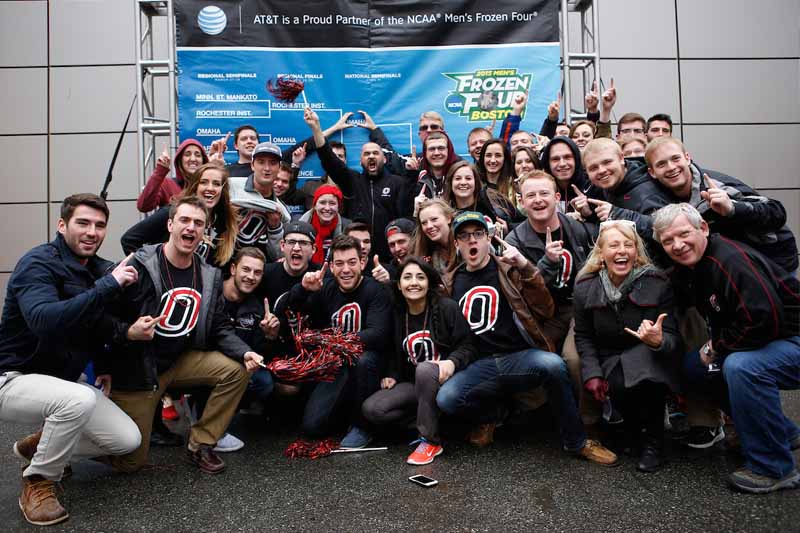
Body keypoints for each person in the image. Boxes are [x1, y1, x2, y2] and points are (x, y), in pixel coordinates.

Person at [0, 193, 142, 526]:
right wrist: (108, 286)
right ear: (62, 225)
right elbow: (45, 320)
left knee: (126, 441)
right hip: (13, 377)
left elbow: (94, 325)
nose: (92, 232)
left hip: (61, 384)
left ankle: (39, 446)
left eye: (100, 225)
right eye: (83, 223)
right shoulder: (37, 263)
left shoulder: (94, 268)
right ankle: (38, 481)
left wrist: (104, 366)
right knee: (77, 399)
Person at [437, 211, 618, 465]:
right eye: (464, 236)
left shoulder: (509, 269)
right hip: (480, 362)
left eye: (478, 234)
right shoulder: (449, 282)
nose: (472, 241)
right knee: (447, 398)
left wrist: (525, 265)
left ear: (489, 239)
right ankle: (493, 415)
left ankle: (577, 441)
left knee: (553, 365)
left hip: (518, 356)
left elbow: (546, 308)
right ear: (456, 244)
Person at [105, 196, 263, 475]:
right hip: (141, 368)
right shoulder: (140, 265)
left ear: (204, 232)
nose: (191, 228)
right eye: (185, 221)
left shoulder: (208, 275)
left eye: (198, 223)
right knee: (130, 461)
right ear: (169, 224)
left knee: (237, 370)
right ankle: (61, 443)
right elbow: (103, 317)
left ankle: (201, 444)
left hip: (181, 360)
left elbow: (219, 326)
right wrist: (128, 333)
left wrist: (244, 351)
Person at [652, 203, 800, 494]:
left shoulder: (729, 259)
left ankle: (773, 467)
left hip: (790, 338)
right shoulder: (691, 268)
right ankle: (779, 432)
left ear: (703, 228)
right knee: (696, 368)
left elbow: (763, 320)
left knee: (742, 367)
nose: (678, 245)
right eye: (668, 241)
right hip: (767, 339)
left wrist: (716, 347)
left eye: (683, 234)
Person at [573, 220, 682, 472]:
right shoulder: (584, 286)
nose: (621, 251)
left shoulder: (657, 282)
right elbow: (584, 335)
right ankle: (633, 432)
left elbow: (673, 336)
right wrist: (592, 373)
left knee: (646, 380)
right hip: (609, 354)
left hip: (649, 355)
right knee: (619, 384)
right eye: (614, 245)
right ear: (601, 253)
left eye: (628, 245)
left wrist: (659, 340)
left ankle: (654, 443)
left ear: (636, 252)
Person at [362, 258, 476, 465]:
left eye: (420, 277)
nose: (413, 282)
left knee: (425, 369)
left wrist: (452, 362)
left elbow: (467, 346)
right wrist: (392, 374)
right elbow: (392, 350)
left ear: (429, 283)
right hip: (415, 384)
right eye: (407, 277)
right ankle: (433, 420)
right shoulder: (398, 314)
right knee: (373, 409)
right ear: (399, 285)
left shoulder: (446, 308)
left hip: (448, 380)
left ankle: (430, 441)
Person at [286, 234, 392, 448]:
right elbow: (291, 311)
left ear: (362, 263)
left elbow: (377, 334)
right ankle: (342, 414)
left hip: (369, 362)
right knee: (312, 427)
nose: (346, 270)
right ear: (332, 267)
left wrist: (331, 340)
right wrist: (303, 289)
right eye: (340, 264)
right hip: (336, 363)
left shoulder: (375, 290)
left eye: (352, 263)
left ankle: (364, 426)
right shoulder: (325, 287)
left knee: (364, 359)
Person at [505, 171, 597, 412]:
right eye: (530, 195)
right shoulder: (515, 241)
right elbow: (523, 292)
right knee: (531, 361)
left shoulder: (577, 228)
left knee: (574, 359)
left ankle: (587, 424)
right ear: (521, 202)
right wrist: (546, 263)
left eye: (544, 193)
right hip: (542, 315)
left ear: (557, 197)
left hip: (579, 309)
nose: (538, 200)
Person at [645, 136, 798, 273]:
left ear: (687, 158)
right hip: (734, 268)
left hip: (773, 263)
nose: (671, 167)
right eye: (662, 164)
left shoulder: (718, 187)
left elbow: (776, 212)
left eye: (675, 158)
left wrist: (732, 208)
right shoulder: (661, 199)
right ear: (652, 172)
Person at [305, 107, 408, 262]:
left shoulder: (397, 183)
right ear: (360, 161)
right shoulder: (353, 181)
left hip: (390, 257)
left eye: (376, 153)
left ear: (385, 159)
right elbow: (329, 159)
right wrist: (316, 128)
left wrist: (376, 131)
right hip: (355, 258)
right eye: (366, 154)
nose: (371, 156)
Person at [122, 162, 239, 268]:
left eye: (216, 184)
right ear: (195, 187)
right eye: (204, 182)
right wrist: (152, 270)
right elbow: (129, 240)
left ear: (223, 190)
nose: (210, 188)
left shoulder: (224, 224)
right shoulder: (172, 212)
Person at [221, 247, 276, 417]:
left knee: (264, 381)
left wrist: (269, 335)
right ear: (233, 269)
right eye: (246, 269)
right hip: (207, 360)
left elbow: (258, 349)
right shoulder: (212, 294)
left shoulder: (256, 308)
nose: (251, 277)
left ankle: (230, 415)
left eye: (257, 272)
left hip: (240, 362)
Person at [228, 141, 291, 261]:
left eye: (272, 163)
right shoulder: (230, 186)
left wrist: (275, 228)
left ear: (279, 168)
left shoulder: (282, 212)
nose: (267, 168)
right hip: (222, 266)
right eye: (261, 162)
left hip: (256, 272)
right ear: (252, 165)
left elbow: (278, 256)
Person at [442, 160, 517, 232]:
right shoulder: (443, 212)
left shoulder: (495, 201)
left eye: (468, 178)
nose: (463, 182)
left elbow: (522, 223)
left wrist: (508, 229)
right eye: (458, 179)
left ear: (475, 182)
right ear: (450, 183)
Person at [137, 139, 208, 213]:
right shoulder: (167, 184)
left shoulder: (209, 186)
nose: (193, 159)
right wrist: (160, 171)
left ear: (204, 161)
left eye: (198, 155)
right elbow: (143, 206)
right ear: (180, 160)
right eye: (187, 154)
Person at [299, 185, 348, 264]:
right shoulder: (299, 227)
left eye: (332, 203)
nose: (327, 208)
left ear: (338, 206)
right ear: (314, 205)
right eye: (322, 202)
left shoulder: (347, 228)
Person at [412, 198, 457, 274]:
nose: (429, 226)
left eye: (434, 219)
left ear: (448, 218)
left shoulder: (464, 243)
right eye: (424, 223)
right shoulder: (427, 251)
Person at [476, 138, 517, 209]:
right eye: (488, 155)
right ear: (483, 158)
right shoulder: (475, 185)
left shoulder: (514, 186)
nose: (492, 160)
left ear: (505, 158)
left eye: (498, 155)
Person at [372, 218, 415, 284]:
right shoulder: (386, 272)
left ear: (414, 240)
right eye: (392, 244)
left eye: (401, 242)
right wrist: (387, 283)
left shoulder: (429, 262)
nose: (397, 249)